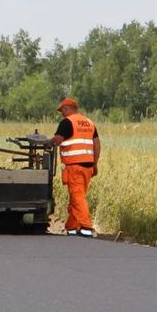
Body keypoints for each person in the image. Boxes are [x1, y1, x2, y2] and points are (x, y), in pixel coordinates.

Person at [50, 98, 100, 237]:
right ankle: (72, 227)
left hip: (74, 166)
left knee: (77, 198)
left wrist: (48, 142)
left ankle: (86, 227)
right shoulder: (89, 123)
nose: (62, 114)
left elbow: (58, 140)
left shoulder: (67, 122)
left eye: (62, 110)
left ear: (68, 108)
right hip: (88, 166)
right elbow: (97, 144)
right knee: (77, 197)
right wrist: (95, 164)